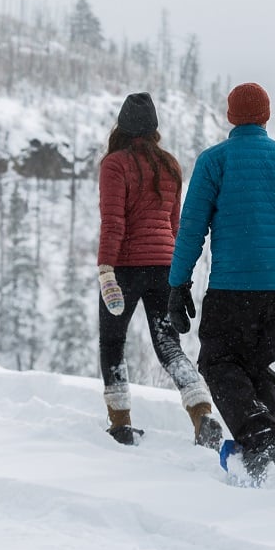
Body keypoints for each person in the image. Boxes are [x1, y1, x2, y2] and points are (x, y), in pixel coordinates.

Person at [166, 82, 275, 482]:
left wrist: (177, 284)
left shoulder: (214, 161)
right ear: (266, 116)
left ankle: (258, 434)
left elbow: (191, 229)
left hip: (233, 287)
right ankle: (263, 461)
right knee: (257, 366)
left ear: (230, 117)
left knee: (217, 361)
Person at [97, 92, 224, 449]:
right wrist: (177, 273)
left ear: (122, 126)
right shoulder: (170, 165)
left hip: (123, 268)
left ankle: (121, 425)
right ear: (154, 128)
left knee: (112, 342)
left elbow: (113, 223)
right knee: (169, 346)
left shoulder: (115, 165)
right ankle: (202, 413)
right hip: (163, 268)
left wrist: (106, 267)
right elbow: (175, 226)